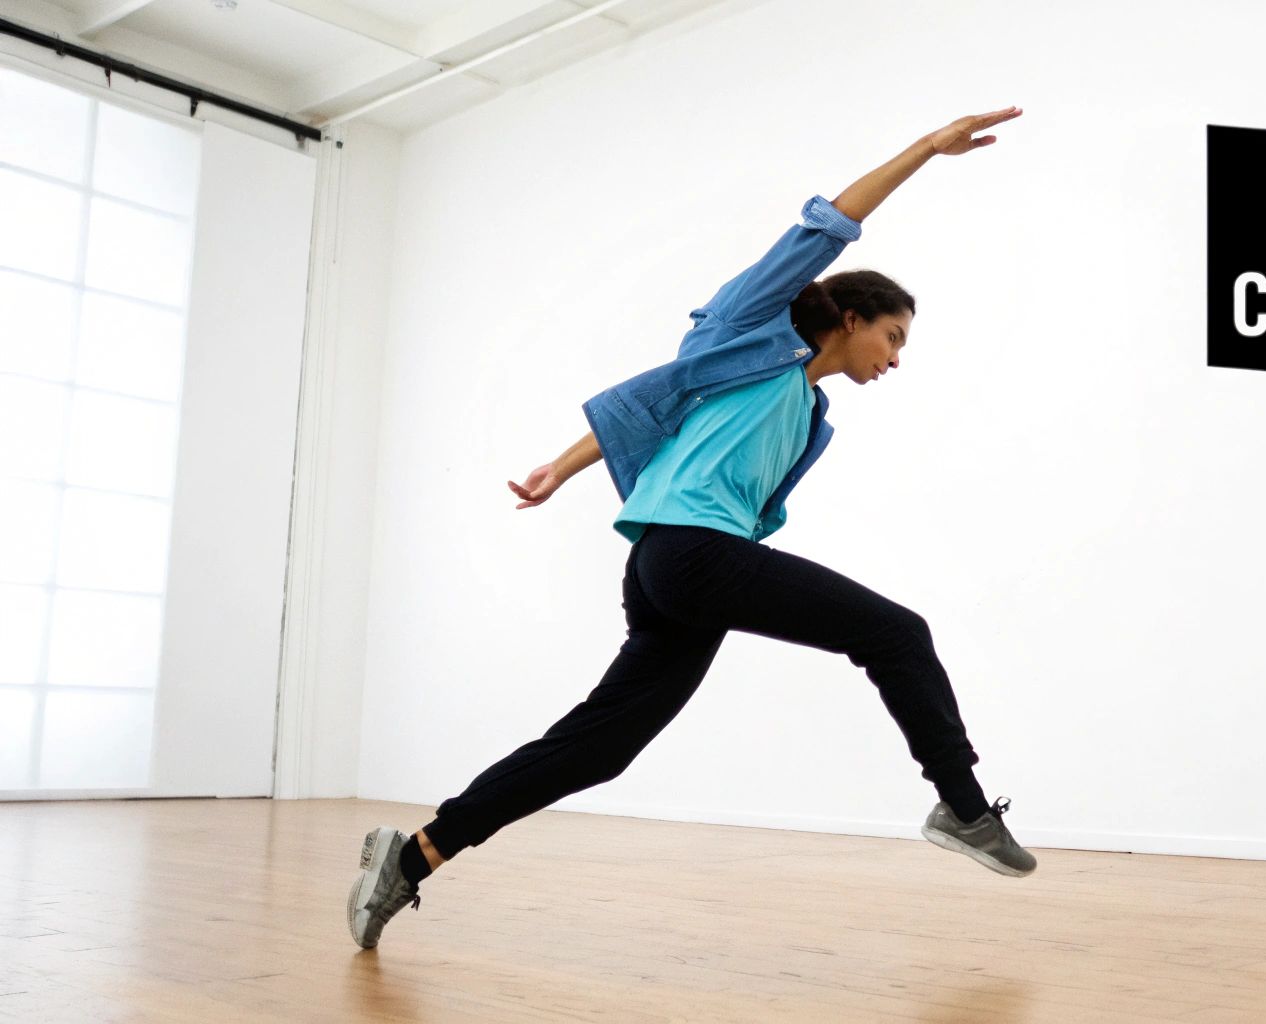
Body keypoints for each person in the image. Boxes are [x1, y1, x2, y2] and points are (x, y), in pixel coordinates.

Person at [348, 105, 1032, 950]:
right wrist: (928, 149)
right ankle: (963, 807)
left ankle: (410, 860)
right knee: (897, 634)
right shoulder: (752, 332)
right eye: (892, 336)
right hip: (691, 553)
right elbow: (826, 228)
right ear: (849, 319)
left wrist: (560, 470)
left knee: (598, 746)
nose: (895, 357)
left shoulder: (808, 412)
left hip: (673, 569)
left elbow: (651, 408)